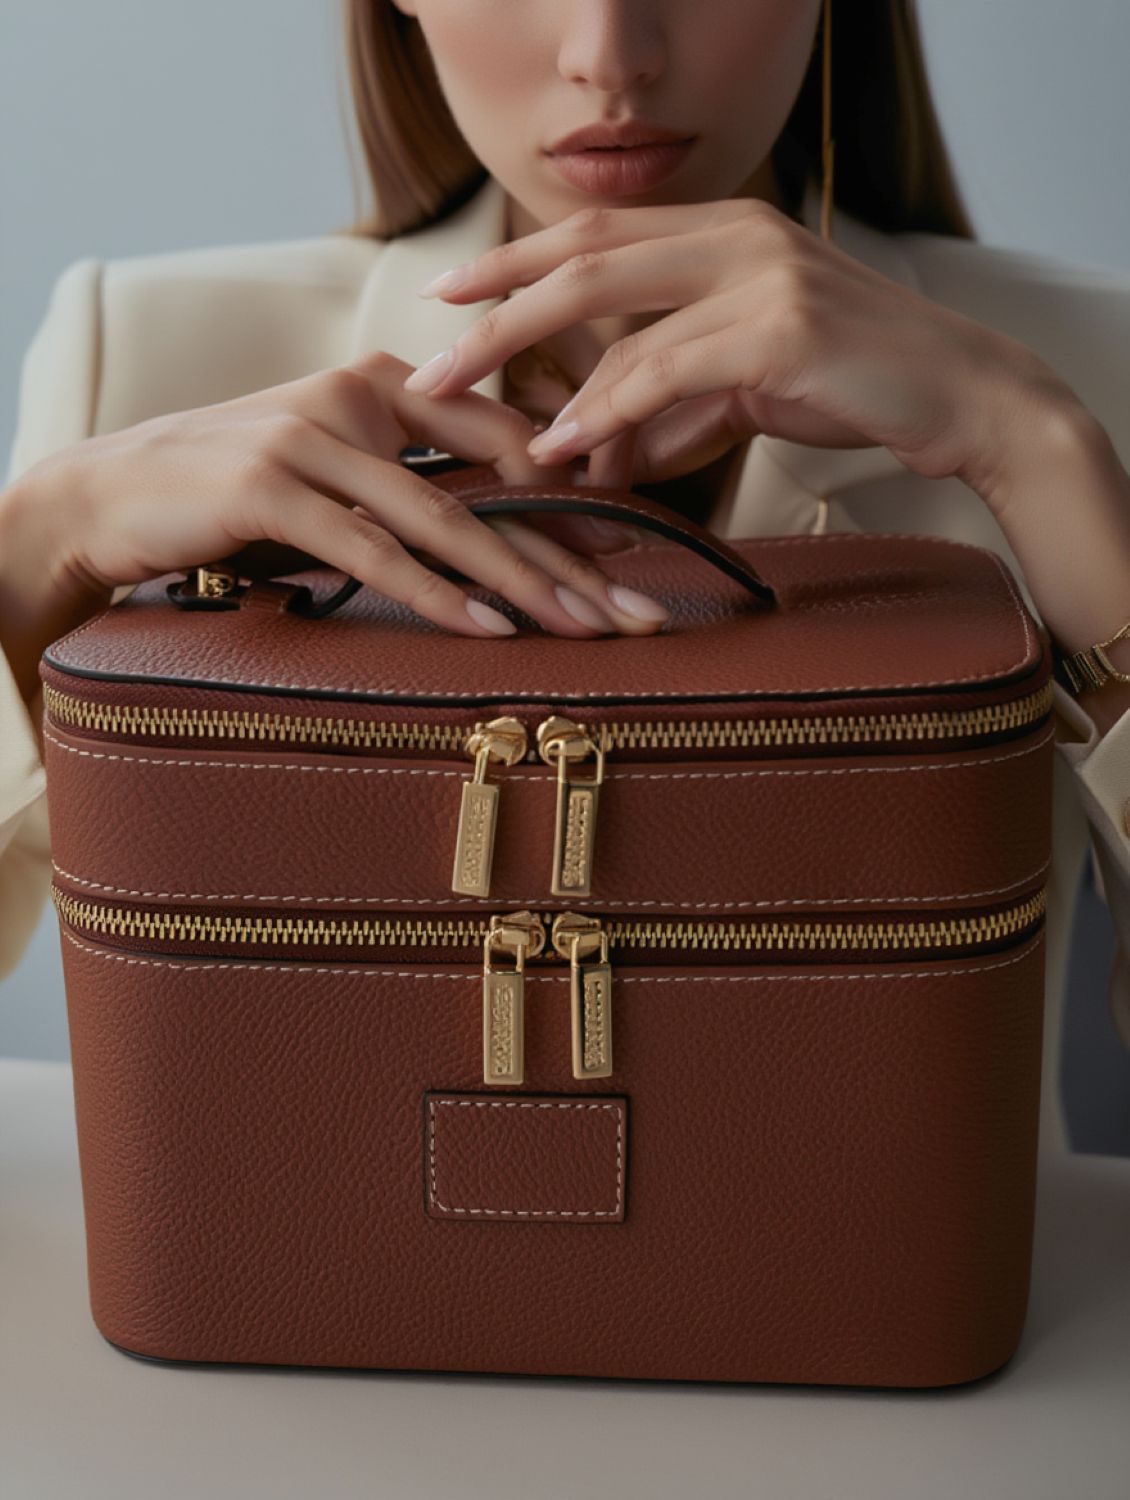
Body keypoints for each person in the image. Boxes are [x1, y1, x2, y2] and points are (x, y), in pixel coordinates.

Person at [1, 0, 1128, 1156]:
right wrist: (26, 561)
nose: (608, 55)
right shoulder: (136, 350)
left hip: (892, 1302)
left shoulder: (1082, 372)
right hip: (268, 1295)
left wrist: (1029, 451)